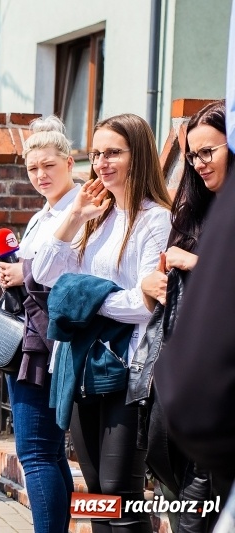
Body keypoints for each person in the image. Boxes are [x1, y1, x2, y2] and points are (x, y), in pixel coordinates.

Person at [32, 113, 172, 533]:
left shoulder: (156, 220)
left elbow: (146, 306)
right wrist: (74, 215)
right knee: (96, 493)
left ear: (139, 155)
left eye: (114, 152)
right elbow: (44, 275)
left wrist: (85, 298)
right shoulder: (95, 214)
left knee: (121, 495)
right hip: (79, 366)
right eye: (96, 154)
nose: (102, 162)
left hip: (128, 371)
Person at [149, 101, 235, 518]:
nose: (199, 164)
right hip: (190, 397)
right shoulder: (194, 213)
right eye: (193, 155)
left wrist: (193, 265)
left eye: (209, 151)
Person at [0, 116, 80, 533]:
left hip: (48, 344)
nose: (41, 175)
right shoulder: (42, 213)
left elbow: (75, 271)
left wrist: (23, 271)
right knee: (48, 452)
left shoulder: (81, 207)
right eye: (33, 169)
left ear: (69, 161)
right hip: (28, 339)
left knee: (34, 452)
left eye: (49, 165)